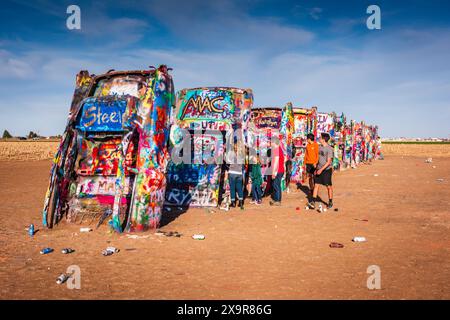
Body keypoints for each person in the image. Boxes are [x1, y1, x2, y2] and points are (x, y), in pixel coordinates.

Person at [309, 133, 334, 210]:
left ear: (323, 139)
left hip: (326, 170)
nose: (319, 138)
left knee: (328, 186)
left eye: (320, 137)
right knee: (316, 185)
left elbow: (328, 162)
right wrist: (315, 163)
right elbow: (318, 157)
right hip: (318, 168)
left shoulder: (329, 149)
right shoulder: (319, 147)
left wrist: (321, 170)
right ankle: (313, 201)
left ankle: (330, 202)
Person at [225, 144, 245, 210]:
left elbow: (226, 161)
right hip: (239, 173)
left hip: (232, 172)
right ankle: (241, 203)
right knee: (239, 188)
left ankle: (233, 203)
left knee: (232, 188)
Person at [270, 138, 285, 206]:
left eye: (271, 142)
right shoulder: (279, 149)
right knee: (275, 185)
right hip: (279, 170)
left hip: (278, 170)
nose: (270, 144)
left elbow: (276, 161)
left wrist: (274, 172)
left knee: (276, 185)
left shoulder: (276, 150)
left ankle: (278, 200)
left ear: (274, 143)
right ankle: (276, 199)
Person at [304, 133, 319, 200]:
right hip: (308, 164)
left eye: (307, 139)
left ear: (309, 139)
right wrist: (304, 163)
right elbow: (306, 155)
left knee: (315, 177)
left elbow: (317, 155)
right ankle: (311, 189)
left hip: (314, 164)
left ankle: (315, 190)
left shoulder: (316, 145)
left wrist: (316, 163)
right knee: (310, 177)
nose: (306, 140)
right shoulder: (307, 146)